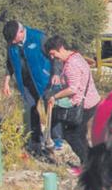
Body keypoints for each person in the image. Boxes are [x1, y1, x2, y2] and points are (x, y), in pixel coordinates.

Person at [43, 36, 101, 171]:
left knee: (72, 135)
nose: (52, 57)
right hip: (90, 100)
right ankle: (90, 162)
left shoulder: (71, 65)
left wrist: (55, 97)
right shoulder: (76, 57)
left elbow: (72, 89)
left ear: (60, 49)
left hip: (84, 104)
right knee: (80, 135)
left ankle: (87, 165)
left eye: (53, 53)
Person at [2, 20, 54, 148]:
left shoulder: (38, 37)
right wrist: (6, 82)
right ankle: (36, 140)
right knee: (30, 109)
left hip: (44, 80)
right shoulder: (11, 44)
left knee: (51, 108)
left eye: (14, 39)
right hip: (25, 82)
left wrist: (56, 74)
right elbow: (10, 63)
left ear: (21, 32)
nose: (13, 43)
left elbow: (54, 56)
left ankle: (54, 139)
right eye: (11, 41)